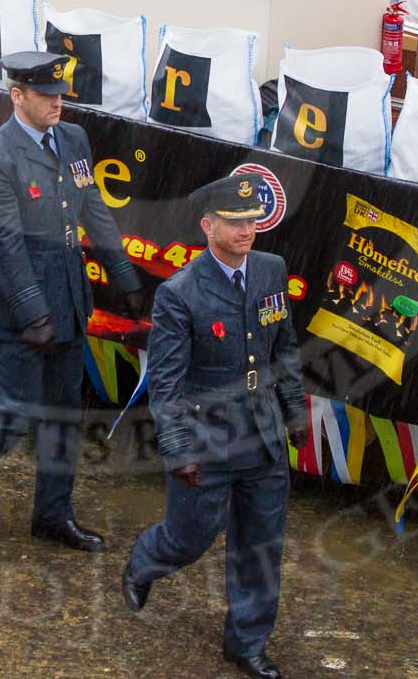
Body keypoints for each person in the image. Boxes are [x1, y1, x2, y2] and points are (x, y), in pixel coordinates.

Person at [0, 51, 144, 550]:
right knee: (17, 410)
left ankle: (53, 515)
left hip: (68, 297)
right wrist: (34, 313)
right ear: (17, 96)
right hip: (17, 306)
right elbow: (4, 245)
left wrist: (125, 278)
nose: (58, 103)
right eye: (46, 95)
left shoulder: (72, 139)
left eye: (60, 95)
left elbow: (92, 208)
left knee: (63, 415)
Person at [121, 174, 306, 679]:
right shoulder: (179, 294)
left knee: (261, 545)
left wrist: (293, 411)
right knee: (190, 537)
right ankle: (145, 560)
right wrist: (177, 449)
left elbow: (284, 349)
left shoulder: (271, 270)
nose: (246, 230)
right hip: (207, 441)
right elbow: (166, 382)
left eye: (252, 221)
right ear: (207, 226)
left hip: (262, 436)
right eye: (234, 221)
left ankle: (247, 643)